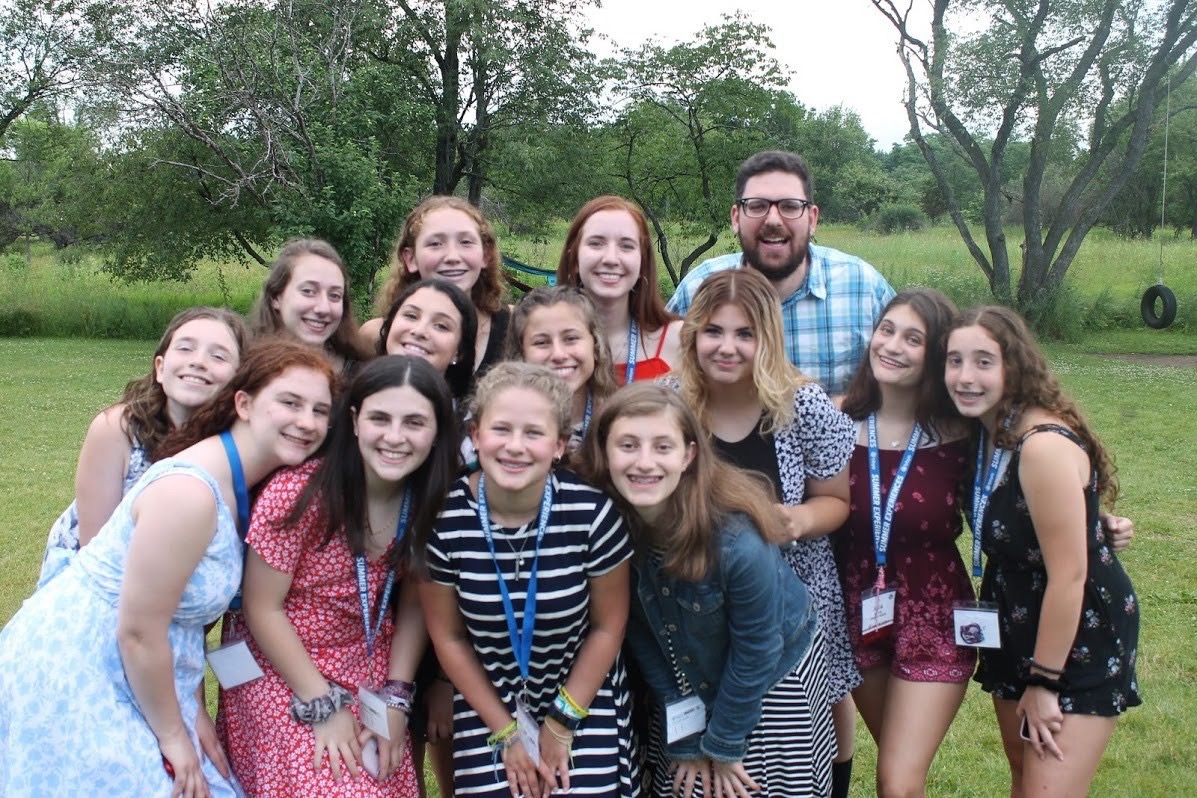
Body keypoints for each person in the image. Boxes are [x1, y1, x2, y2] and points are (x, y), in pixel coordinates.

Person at [0, 338, 335, 798]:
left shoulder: (241, 480)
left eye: (320, 410)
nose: (307, 421)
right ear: (244, 404)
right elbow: (138, 630)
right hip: (83, 669)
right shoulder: (190, 493)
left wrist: (188, 706)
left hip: (139, 668)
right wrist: (174, 735)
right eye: (291, 403)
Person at [580, 382, 837, 797]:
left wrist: (724, 742)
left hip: (773, 675)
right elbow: (642, 636)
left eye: (662, 447)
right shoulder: (610, 528)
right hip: (686, 672)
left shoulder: (737, 542)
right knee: (687, 782)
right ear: (604, 452)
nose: (644, 462)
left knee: (756, 785)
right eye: (627, 445)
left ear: (688, 455)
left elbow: (758, 648)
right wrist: (685, 737)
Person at [218, 356, 459, 797]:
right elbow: (261, 607)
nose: (394, 437)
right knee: (330, 782)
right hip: (281, 662)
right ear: (353, 420)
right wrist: (323, 705)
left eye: (414, 422)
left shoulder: (431, 498)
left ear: (438, 430)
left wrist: (397, 696)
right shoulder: (301, 493)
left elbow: (414, 602)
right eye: (380, 418)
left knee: (380, 776)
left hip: (365, 659)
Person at [672, 268, 858, 795]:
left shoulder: (803, 405)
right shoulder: (671, 404)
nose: (727, 347)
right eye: (714, 331)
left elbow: (836, 501)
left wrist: (798, 519)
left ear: (768, 338)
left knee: (789, 748)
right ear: (693, 333)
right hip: (694, 604)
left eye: (745, 334)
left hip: (791, 603)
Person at [944, 306, 1140, 797]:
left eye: (983, 362)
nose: (965, 376)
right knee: (1024, 774)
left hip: (1073, 633)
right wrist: (1098, 522)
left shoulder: (1041, 446)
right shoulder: (988, 431)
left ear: (1015, 366)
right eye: (954, 360)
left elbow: (1070, 576)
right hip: (1015, 620)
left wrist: (1045, 682)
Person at [419, 362, 637, 798]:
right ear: (475, 436)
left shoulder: (592, 515)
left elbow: (608, 626)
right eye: (501, 429)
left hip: (580, 695)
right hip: (489, 701)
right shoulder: (445, 522)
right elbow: (449, 638)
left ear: (559, 445)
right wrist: (506, 733)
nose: (515, 446)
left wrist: (561, 723)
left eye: (534, 433)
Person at [834, 289, 978, 797]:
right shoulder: (834, 422)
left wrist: (1094, 522)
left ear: (936, 355)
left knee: (896, 781)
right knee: (898, 774)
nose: (892, 346)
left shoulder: (963, 433)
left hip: (935, 615)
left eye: (913, 339)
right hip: (857, 616)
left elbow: (1017, 497)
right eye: (887, 330)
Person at [38, 306, 248, 587]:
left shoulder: (238, 448)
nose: (198, 361)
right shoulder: (116, 430)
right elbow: (97, 553)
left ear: (239, 379)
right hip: (94, 582)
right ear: (160, 368)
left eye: (218, 356)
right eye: (185, 348)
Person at [667, 150, 895, 395]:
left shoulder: (863, 288)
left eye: (790, 206)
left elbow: (912, 385)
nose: (773, 220)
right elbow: (660, 390)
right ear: (736, 218)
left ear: (812, 219)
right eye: (757, 206)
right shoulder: (696, 290)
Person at [363, 196, 509, 375]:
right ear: (411, 258)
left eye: (466, 242)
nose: (452, 257)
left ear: (485, 255)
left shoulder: (515, 329)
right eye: (435, 244)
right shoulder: (376, 336)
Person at [556, 196, 682, 385]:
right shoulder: (542, 342)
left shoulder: (681, 340)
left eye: (626, 246)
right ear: (574, 259)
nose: (611, 259)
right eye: (596, 243)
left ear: (643, 264)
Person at [506, 285, 616, 453]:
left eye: (571, 338)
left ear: (595, 344)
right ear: (521, 352)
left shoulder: (618, 421)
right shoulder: (499, 423)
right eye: (541, 342)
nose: (558, 354)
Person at [248, 239, 368, 373]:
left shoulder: (362, 376)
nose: (324, 308)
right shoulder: (244, 371)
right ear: (276, 297)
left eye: (334, 295)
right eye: (308, 291)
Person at [377, 278, 479, 401]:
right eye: (411, 316)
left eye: (441, 326)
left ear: (459, 352)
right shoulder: (356, 400)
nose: (420, 331)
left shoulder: (474, 412)